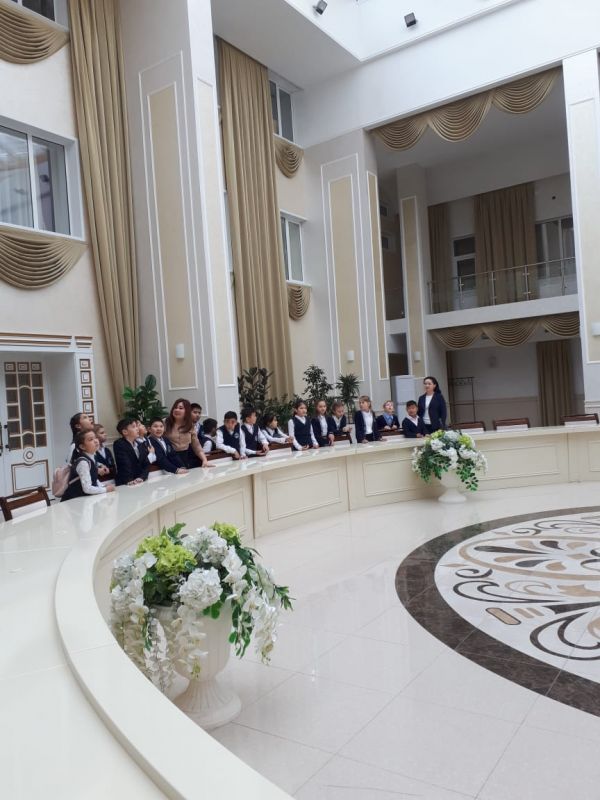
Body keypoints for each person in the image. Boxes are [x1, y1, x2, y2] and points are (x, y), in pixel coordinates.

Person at [61, 429, 115, 502]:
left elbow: (93, 479)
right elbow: (87, 488)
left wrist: (103, 486)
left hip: (83, 499)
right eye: (91, 439)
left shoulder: (92, 457)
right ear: (82, 446)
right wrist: (105, 489)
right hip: (73, 501)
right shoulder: (83, 462)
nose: (96, 441)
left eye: (95, 438)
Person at [164, 399, 211, 468]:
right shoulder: (165, 422)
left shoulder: (190, 425)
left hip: (185, 458)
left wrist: (204, 460)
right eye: (175, 407)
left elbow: (197, 446)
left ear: (187, 411)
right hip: (169, 458)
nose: (177, 410)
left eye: (180, 408)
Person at [113, 418, 150, 485]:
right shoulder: (119, 444)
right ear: (125, 432)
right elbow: (124, 464)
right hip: (126, 482)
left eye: (137, 426)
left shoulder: (140, 444)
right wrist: (130, 480)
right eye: (133, 427)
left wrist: (142, 477)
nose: (137, 429)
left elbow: (146, 464)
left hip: (140, 481)